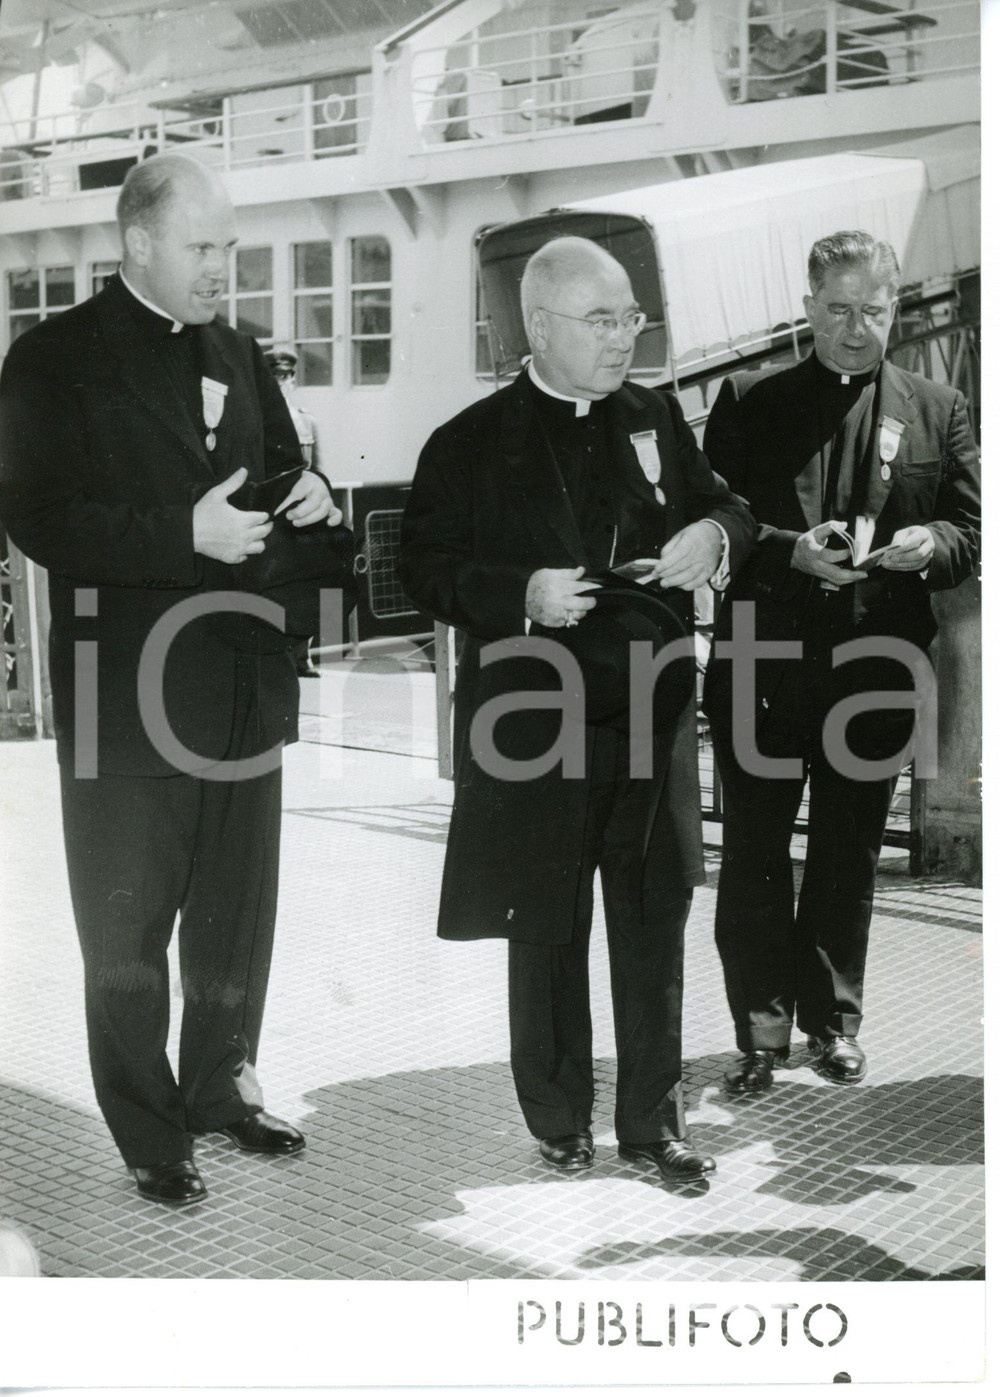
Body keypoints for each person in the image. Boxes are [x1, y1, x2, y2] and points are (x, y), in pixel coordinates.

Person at [0, 152, 342, 1206]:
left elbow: (276, 469)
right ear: (137, 241)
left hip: (238, 675)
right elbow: (36, 515)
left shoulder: (239, 349)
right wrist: (177, 532)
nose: (223, 267)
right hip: (129, 686)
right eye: (205, 247)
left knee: (237, 907)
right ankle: (149, 1129)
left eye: (228, 245)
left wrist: (313, 491)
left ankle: (219, 1088)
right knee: (130, 919)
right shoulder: (52, 359)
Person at [399, 237, 755, 1182]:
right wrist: (523, 593)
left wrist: (709, 536)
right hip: (537, 719)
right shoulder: (467, 441)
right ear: (540, 325)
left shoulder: (657, 416)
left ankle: (654, 1121)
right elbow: (419, 569)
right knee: (544, 923)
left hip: (652, 711)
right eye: (603, 320)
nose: (624, 336)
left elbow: (734, 506)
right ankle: (558, 1115)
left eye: (633, 317)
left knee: (653, 917)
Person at [702, 230, 980, 1094]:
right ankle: (759, 1032)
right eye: (838, 310)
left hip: (876, 670)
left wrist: (928, 542)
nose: (858, 329)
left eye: (875, 309)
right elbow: (714, 526)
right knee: (753, 851)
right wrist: (789, 551)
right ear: (807, 307)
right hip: (764, 661)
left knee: (848, 851)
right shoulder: (747, 400)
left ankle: (833, 1024)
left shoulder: (939, 407)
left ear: (895, 305)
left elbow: (971, 534)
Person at [263, 343, 325, 678]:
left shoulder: (307, 422)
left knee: (307, 588)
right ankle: (280, 654)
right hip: (273, 516)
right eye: (277, 376)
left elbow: (320, 472)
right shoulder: (256, 420)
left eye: (287, 376)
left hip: (303, 518)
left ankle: (303, 655)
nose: (283, 382)